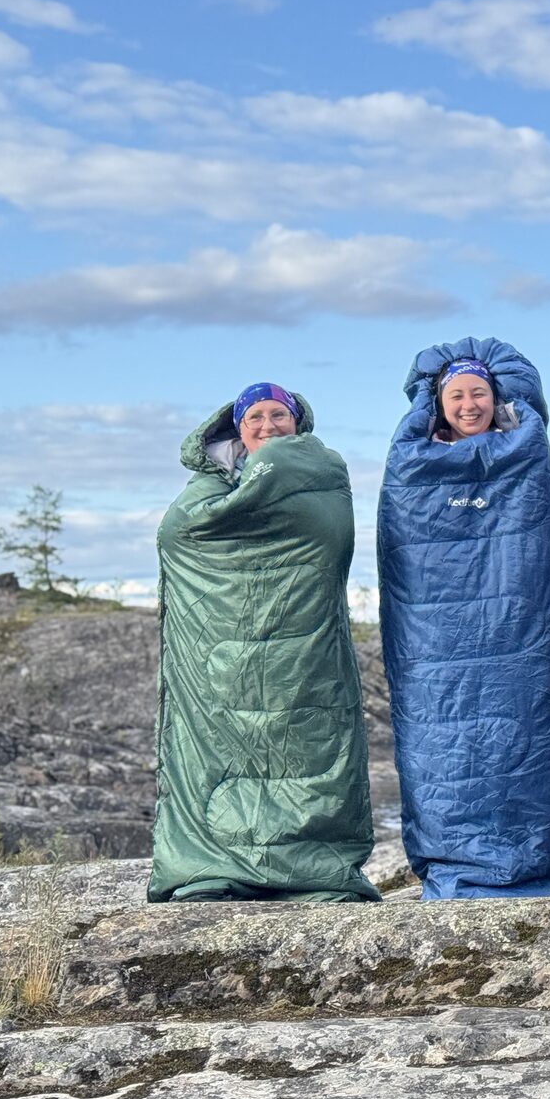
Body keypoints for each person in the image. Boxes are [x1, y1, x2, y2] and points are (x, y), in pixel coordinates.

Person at [148, 383, 378, 903]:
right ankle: (211, 866)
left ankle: (312, 868)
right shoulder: (206, 487)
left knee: (306, 745)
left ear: (298, 423)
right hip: (222, 652)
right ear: (237, 427)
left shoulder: (322, 473)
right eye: (255, 417)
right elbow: (179, 536)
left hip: (304, 651)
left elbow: (330, 539)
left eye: (279, 415)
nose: (268, 425)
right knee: (220, 752)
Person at [377, 340, 550, 899]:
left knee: (524, 733)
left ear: (497, 397)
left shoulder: (525, 452)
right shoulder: (414, 462)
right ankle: (453, 865)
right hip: (435, 646)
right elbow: (404, 549)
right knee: (441, 746)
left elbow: (540, 543)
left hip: (518, 636)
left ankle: (527, 866)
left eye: (479, 393)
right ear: (438, 404)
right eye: (456, 395)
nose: (469, 405)